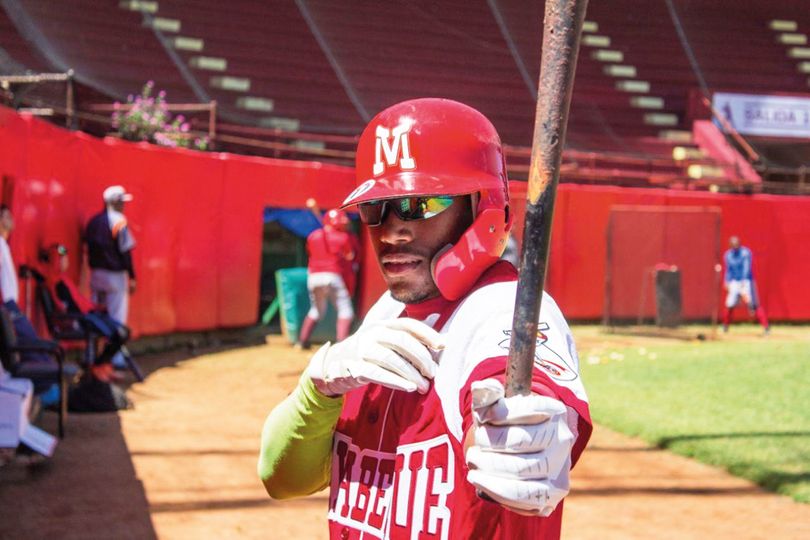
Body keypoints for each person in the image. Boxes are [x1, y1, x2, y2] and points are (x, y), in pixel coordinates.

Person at [258, 99, 591, 538]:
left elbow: (524, 397)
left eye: (422, 203)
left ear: (482, 206)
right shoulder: (385, 315)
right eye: (378, 208)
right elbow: (284, 480)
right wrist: (317, 388)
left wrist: (528, 439)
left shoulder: (503, 310)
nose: (393, 230)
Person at [0, 205, 62, 402]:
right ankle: (39, 396)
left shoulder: (3, 243)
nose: (11, 218)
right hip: (7, 308)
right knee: (29, 349)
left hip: (10, 307)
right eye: (5, 215)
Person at [84, 185, 136, 367]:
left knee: (96, 316)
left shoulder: (93, 222)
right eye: (122, 201)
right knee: (116, 319)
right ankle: (114, 358)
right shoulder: (119, 221)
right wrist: (132, 276)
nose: (124, 205)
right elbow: (125, 252)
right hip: (115, 276)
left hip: (95, 275)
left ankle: (91, 355)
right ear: (114, 202)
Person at [295, 208, 360, 349]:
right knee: (346, 311)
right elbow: (350, 258)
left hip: (313, 277)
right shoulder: (345, 237)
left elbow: (310, 252)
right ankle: (341, 344)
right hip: (333, 276)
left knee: (316, 311)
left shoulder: (313, 236)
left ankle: (302, 342)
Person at [721, 235, 769, 334]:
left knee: (754, 304)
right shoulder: (728, 255)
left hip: (746, 281)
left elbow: (746, 267)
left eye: (736, 244)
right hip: (734, 282)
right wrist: (726, 281)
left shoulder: (745, 253)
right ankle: (725, 326)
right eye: (733, 245)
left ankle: (766, 327)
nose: (735, 246)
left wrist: (743, 282)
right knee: (729, 304)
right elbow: (728, 270)